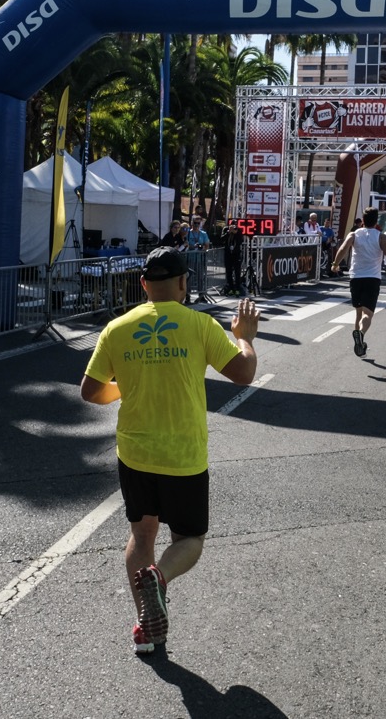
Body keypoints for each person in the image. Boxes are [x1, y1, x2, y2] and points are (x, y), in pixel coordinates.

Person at [80, 247, 259, 656]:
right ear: (183, 283)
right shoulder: (200, 324)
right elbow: (244, 373)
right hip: (183, 454)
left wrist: (127, 386)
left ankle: (147, 628)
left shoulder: (117, 328)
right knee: (189, 538)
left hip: (135, 452)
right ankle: (159, 577)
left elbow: (90, 391)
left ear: (143, 284)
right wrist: (244, 338)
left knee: (141, 534)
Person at [330, 207, 386, 357]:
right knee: (367, 314)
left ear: (363, 220)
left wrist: (335, 264)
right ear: (376, 222)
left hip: (356, 277)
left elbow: (343, 248)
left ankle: (360, 345)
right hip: (372, 278)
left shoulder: (354, 234)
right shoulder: (381, 237)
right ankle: (361, 334)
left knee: (358, 313)